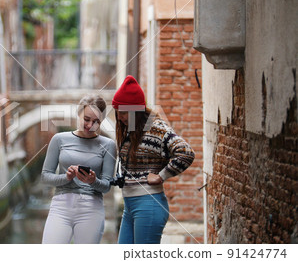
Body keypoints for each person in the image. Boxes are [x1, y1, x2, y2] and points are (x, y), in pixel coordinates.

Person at [112, 75, 195, 244]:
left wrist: (161, 176)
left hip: (148, 205)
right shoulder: (131, 129)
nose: (119, 117)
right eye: (118, 112)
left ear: (135, 110)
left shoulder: (156, 128)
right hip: (130, 206)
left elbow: (186, 152)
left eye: (123, 112)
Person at [41, 94, 116, 244]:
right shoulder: (59, 139)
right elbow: (45, 176)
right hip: (61, 206)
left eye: (96, 122)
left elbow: (107, 186)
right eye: (86, 119)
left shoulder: (108, 145)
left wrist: (93, 181)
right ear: (78, 113)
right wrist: (66, 177)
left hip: (91, 208)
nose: (90, 125)